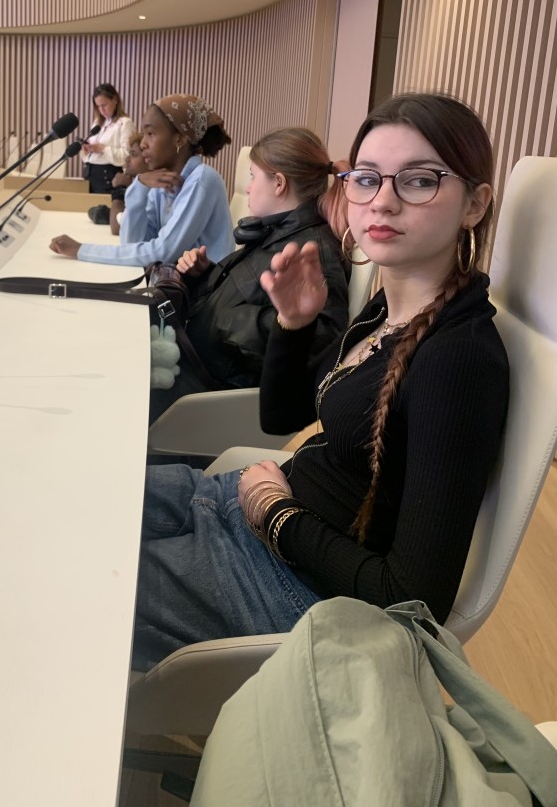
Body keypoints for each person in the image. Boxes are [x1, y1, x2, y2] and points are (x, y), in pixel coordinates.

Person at [132, 92, 509, 672]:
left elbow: (412, 599)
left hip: (292, 582)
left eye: (419, 180)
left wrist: (278, 516)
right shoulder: (388, 312)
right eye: (367, 178)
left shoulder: (458, 360)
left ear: (474, 205)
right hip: (252, 508)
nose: (383, 201)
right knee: (85, 496)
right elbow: (282, 419)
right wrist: (295, 324)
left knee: (81, 570)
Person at [148, 127, 350, 421]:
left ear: (279, 183)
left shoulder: (311, 253)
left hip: (213, 398)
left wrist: (225, 319)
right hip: (194, 366)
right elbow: (252, 294)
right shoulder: (275, 233)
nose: (249, 187)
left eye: (254, 176)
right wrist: (204, 275)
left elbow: (318, 343)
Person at [50, 93, 235, 267]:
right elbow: (131, 243)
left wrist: (82, 250)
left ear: (179, 139)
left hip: (206, 289)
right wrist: (139, 186)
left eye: (150, 134)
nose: (143, 143)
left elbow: (162, 252)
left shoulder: (202, 180)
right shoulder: (161, 182)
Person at [81, 83, 136, 194]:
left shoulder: (125, 123)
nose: (102, 110)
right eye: (98, 106)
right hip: (90, 176)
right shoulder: (97, 123)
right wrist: (87, 150)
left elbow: (128, 156)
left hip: (108, 178)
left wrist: (103, 149)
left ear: (115, 100)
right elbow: (90, 154)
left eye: (104, 105)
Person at [109, 132, 145, 235]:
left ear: (148, 158)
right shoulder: (137, 185)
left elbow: (117, 228)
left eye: (133, 154)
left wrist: (119, 190)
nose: (127, 159)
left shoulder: (150, 189)